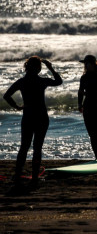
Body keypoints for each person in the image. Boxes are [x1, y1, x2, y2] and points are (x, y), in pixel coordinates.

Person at [3, 56, 63, 191]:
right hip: (41, 117)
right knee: (37, 147)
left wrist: (17, 107)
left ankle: (17, 175)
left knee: (24, 146)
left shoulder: (21, 82)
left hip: (28, 116)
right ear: (38, 68)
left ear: (26, 67)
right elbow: (59, 82)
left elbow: (6, 96)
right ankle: (34, 178)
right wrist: (51, 68)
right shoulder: (42, 81)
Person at [78, 55, 97, 159]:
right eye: (85, 64)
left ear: (93, 64)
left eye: (87, 63)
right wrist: (79, 104)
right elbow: (80, 92)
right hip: (88, 106)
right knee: (92, 134)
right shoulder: (84, 77)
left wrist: (88, 93)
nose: (85, 66)